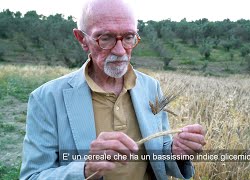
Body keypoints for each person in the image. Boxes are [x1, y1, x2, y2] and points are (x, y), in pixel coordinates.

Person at [20, 0, 206, 179]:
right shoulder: (46, 99)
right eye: (106, 38)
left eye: (128, 37)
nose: (120, 50)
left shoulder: (151, 87)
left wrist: (176, 152)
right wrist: (85, 170)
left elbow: (159, 156)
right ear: (82, 39)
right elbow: (33, 176)